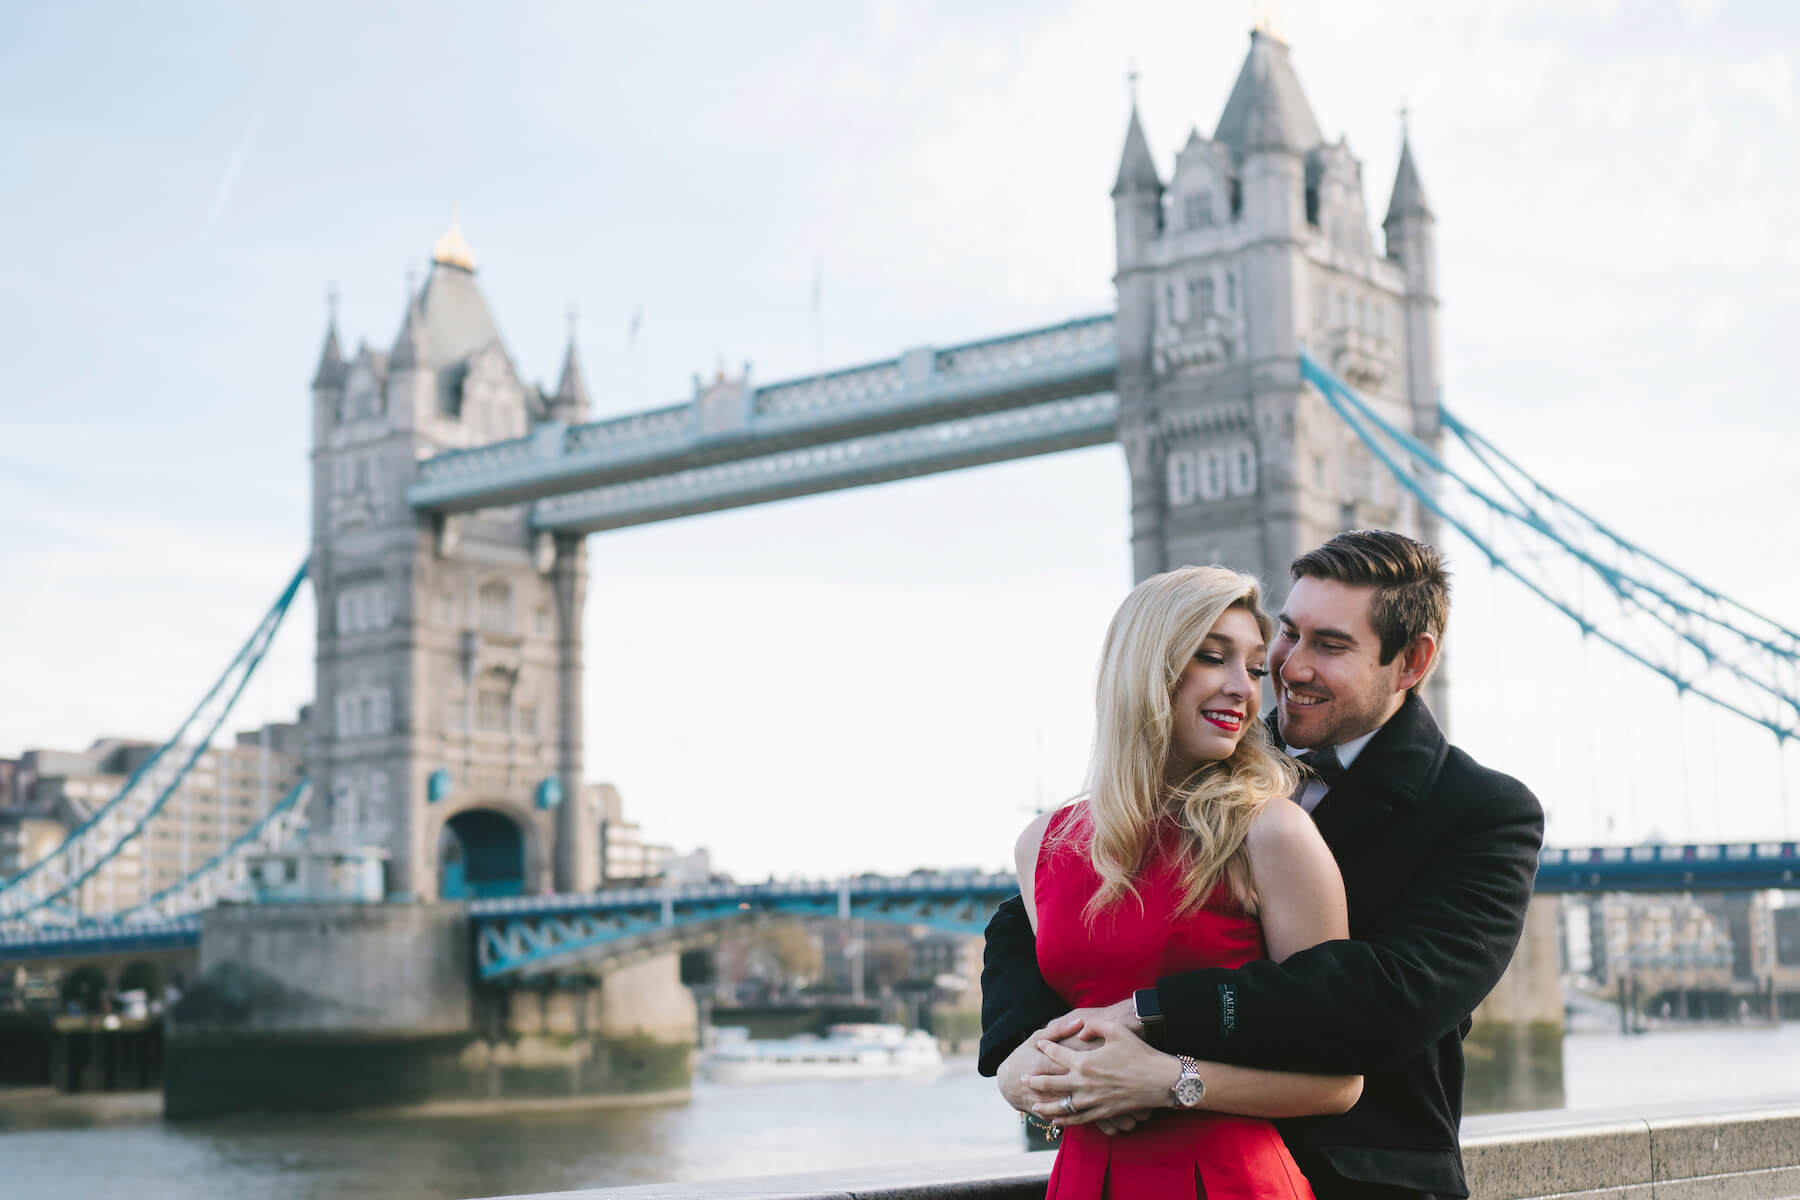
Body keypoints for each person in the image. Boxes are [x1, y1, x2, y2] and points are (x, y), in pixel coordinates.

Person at [983, 530, 1545, 1200]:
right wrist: (1023, 1054)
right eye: (1288, 636)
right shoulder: (1214, 755)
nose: (1288, 669)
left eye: (1330, 645)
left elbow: (1383, 998)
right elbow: (1042, 921)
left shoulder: (1480, 811)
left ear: (1411, 662)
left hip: (1358, 1179)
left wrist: (1150, 1022)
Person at [1016, 564, 1365, 1198]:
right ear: (1145, 668)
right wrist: (1022, 1077)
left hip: (1230, 1182)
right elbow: (1053, 1036)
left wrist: (1165, 1081)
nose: (1244, 688)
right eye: (1212, 658)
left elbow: (1339, 1080)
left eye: (1255, 669)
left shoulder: (1272, 833)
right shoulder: (1043, 845)